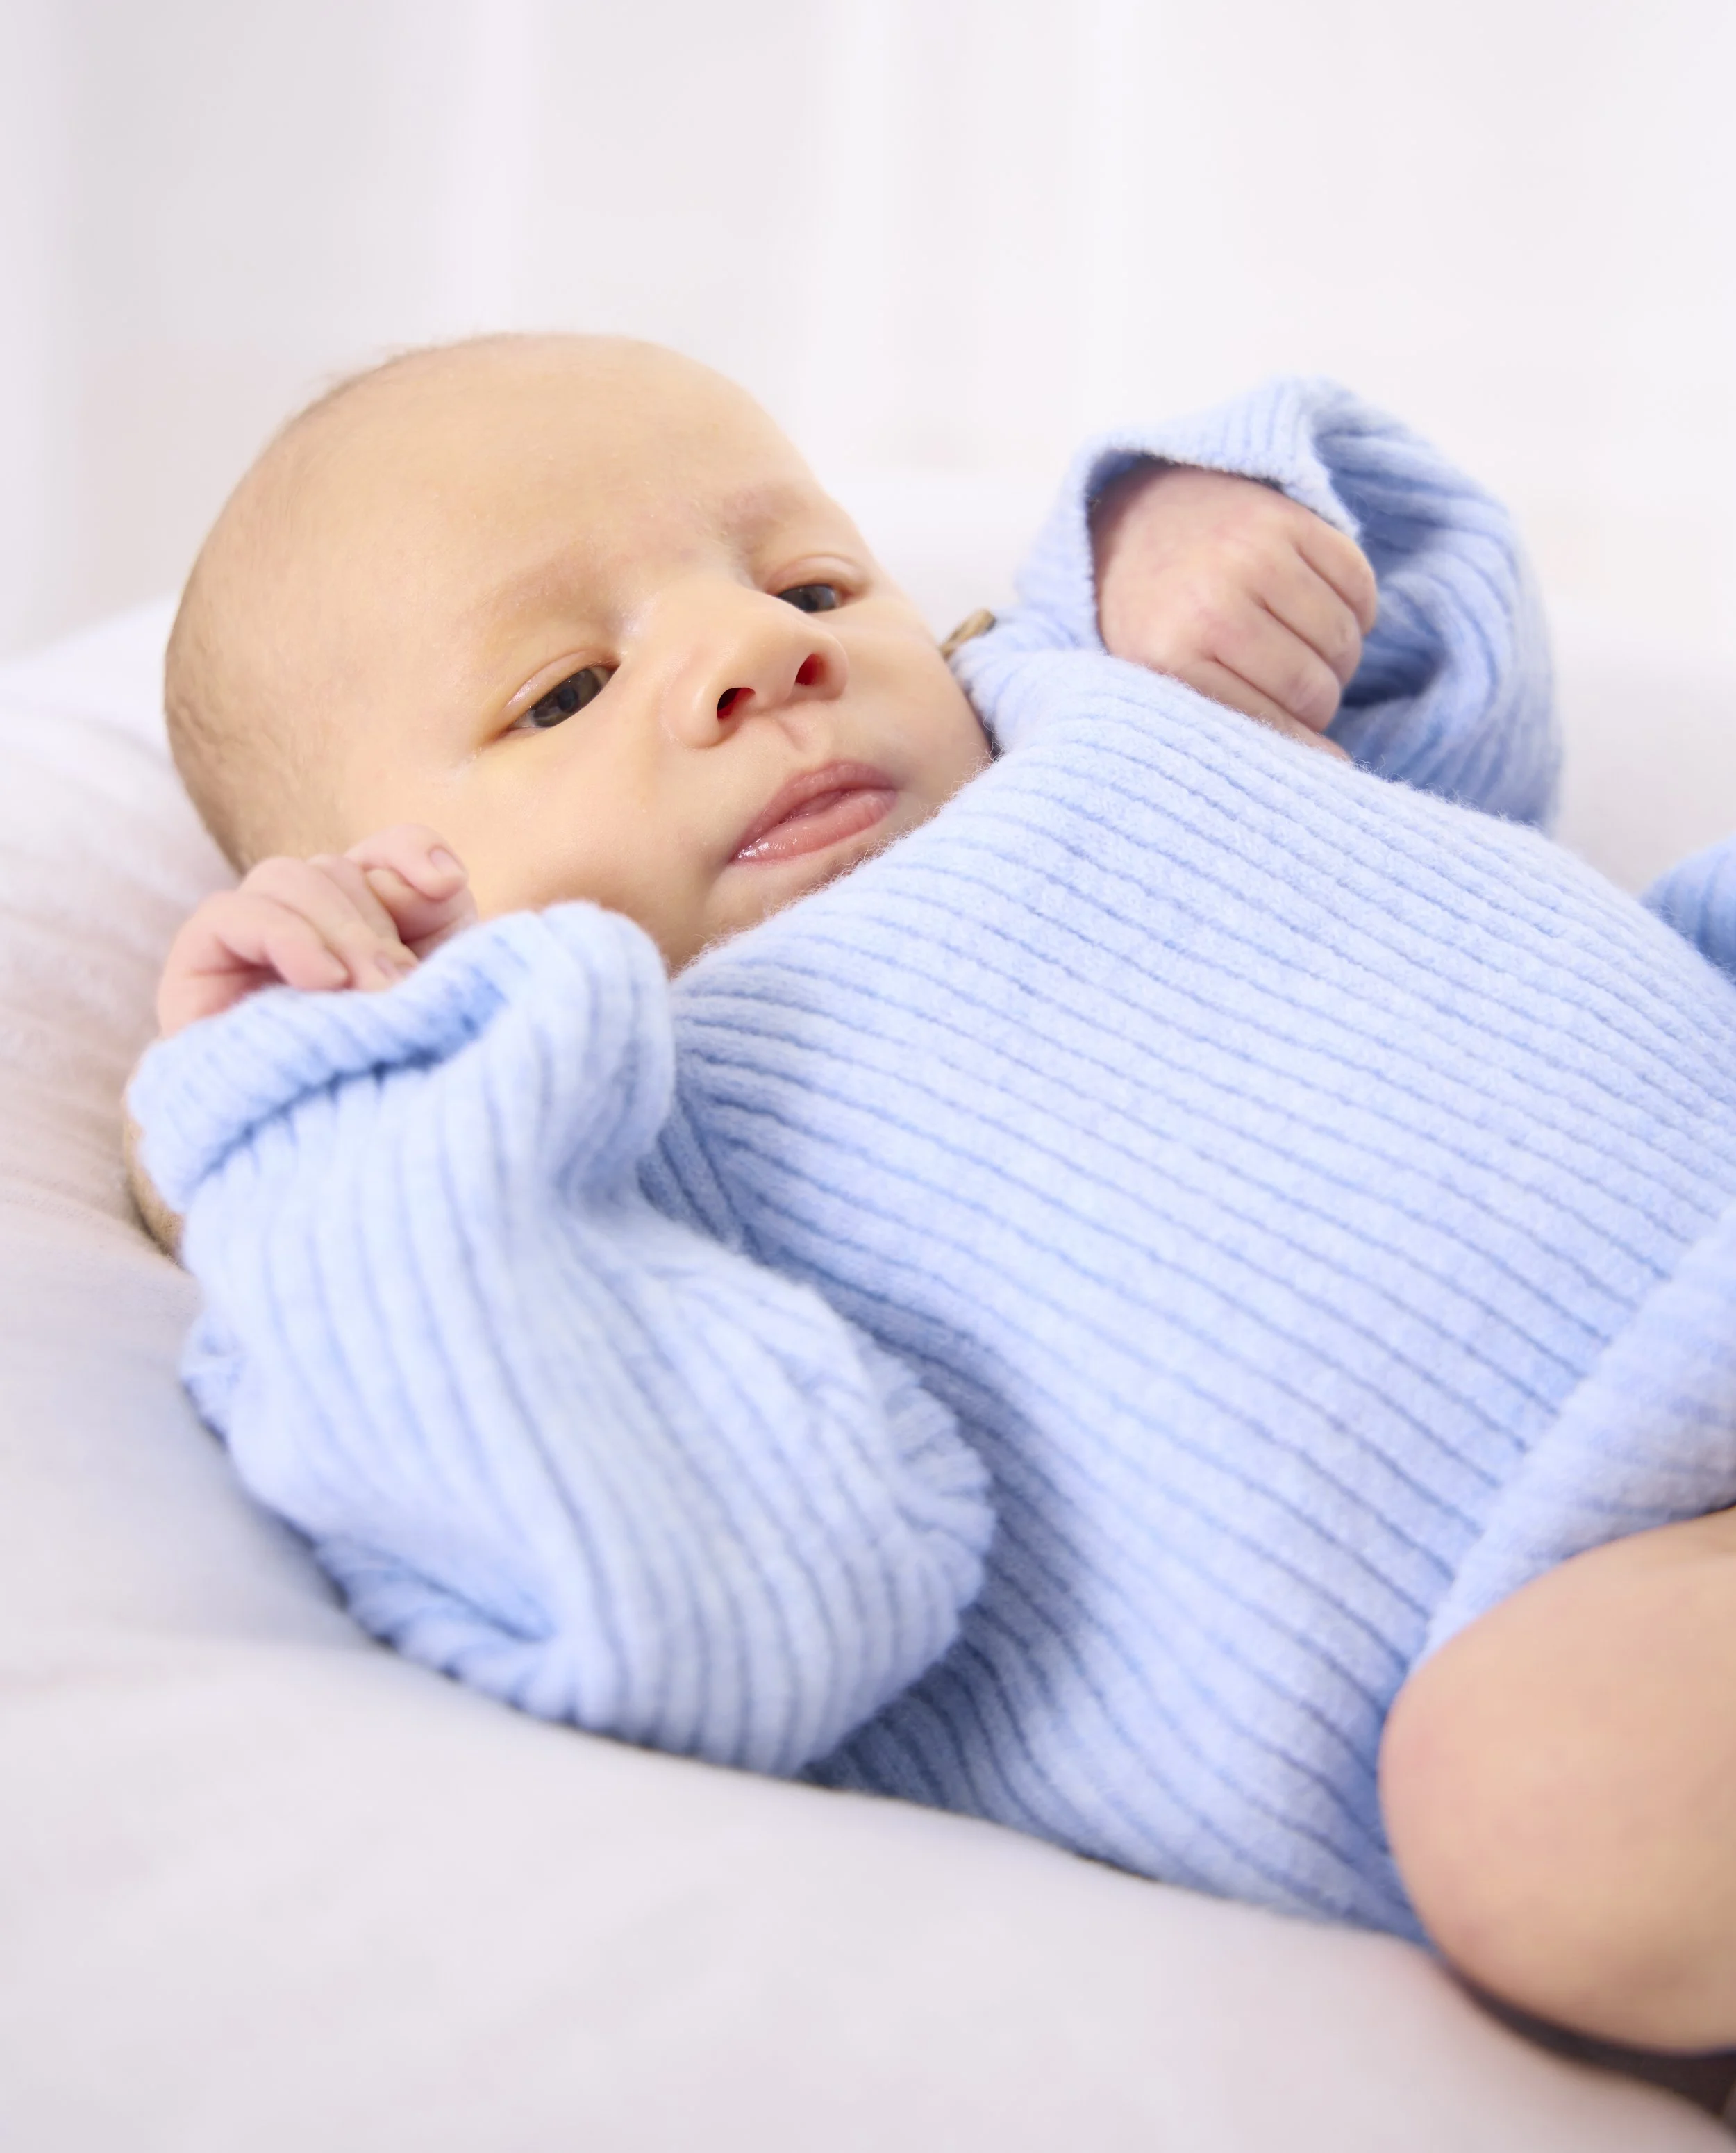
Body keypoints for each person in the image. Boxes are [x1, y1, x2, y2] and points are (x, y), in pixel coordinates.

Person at [129, 333, 1736, 2058]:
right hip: (1600, 1602)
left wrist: (1189, 531)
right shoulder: (588, 1172)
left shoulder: (1067, 693)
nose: (760, 647)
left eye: (810, 581)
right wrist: (336, 1119)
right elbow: (712, 1598)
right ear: (385, 911)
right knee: (1538, 1799)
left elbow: (1450, 711)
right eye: (565, 691)